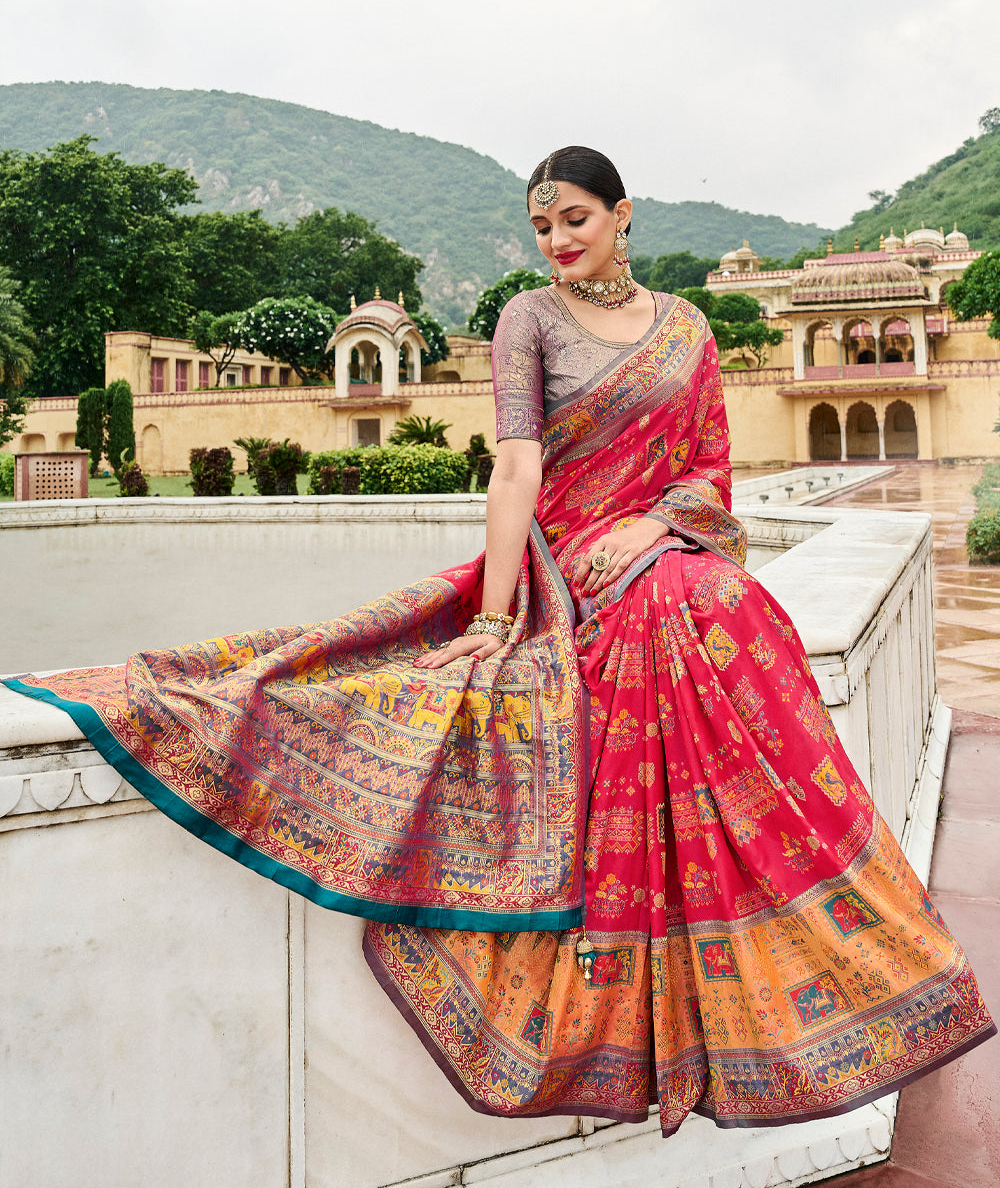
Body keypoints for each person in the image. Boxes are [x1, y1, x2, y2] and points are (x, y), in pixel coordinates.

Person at [7, 147, 993, 1138]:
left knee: (731, 611)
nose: (558, 240)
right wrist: (492, 613)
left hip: (661, 546)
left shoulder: (687, 327)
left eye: (573, 218)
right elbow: (517, 464)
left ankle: (844, 951)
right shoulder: (528, 319)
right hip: (566, 562)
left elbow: (705, 472)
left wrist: (661, 526)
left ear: (621, 214)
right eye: (541, 227)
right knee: (667, 619)